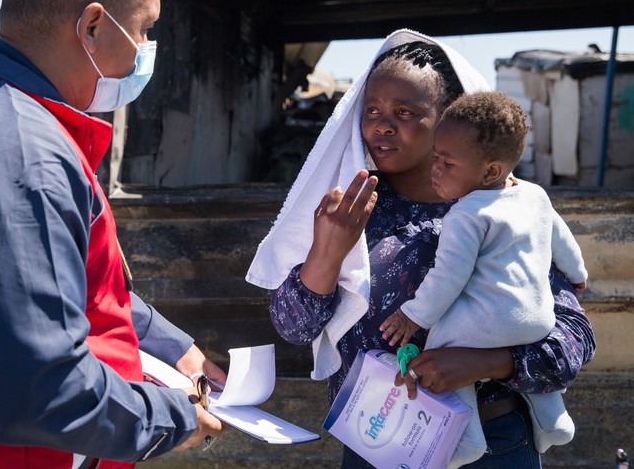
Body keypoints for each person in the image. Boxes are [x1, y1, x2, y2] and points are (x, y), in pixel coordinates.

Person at [0, 0, 224, 467]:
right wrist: (172, 416)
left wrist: (170, 345)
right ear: (92, 27)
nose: (148, 46)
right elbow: (43, 389)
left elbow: (64, 283)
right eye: (145, 28)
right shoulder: (17, 156)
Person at [246, 29, 596, 468]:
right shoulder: (350, 211)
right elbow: (293, 328)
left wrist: (485, 363)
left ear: (449, 118)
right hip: (376, 444)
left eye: (405, 112)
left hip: (492, 444)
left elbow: (574, 341)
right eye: (371, 109)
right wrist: (326, 253)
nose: (382, 124)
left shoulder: (504, 209)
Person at [379, 90, 588, 466]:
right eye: (436, 158)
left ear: (490, 171)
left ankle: (467, 440)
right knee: (512, 343)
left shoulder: (466, 214)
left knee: (442, 347)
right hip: (538, 321)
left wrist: (414, 316)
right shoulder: (534, 194)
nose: (436, 169)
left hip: (487, 325)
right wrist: (578, 275)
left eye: (448, 163)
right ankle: (553, 419)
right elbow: (563, 242)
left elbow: (448, 276)